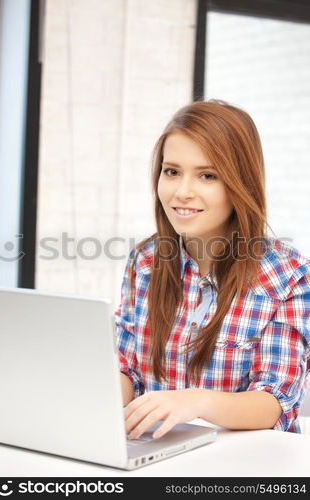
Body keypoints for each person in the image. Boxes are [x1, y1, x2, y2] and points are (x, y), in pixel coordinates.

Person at [115, 99, 310, 440]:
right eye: (171, 171)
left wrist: (197, 402)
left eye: (207, 175)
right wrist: (90, 404)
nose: (182, 192)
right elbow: (126, 369)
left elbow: (274, 401)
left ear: (240, 184)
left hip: (248, 466)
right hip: (156, 454)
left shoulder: (288, 275)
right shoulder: (145, 261)